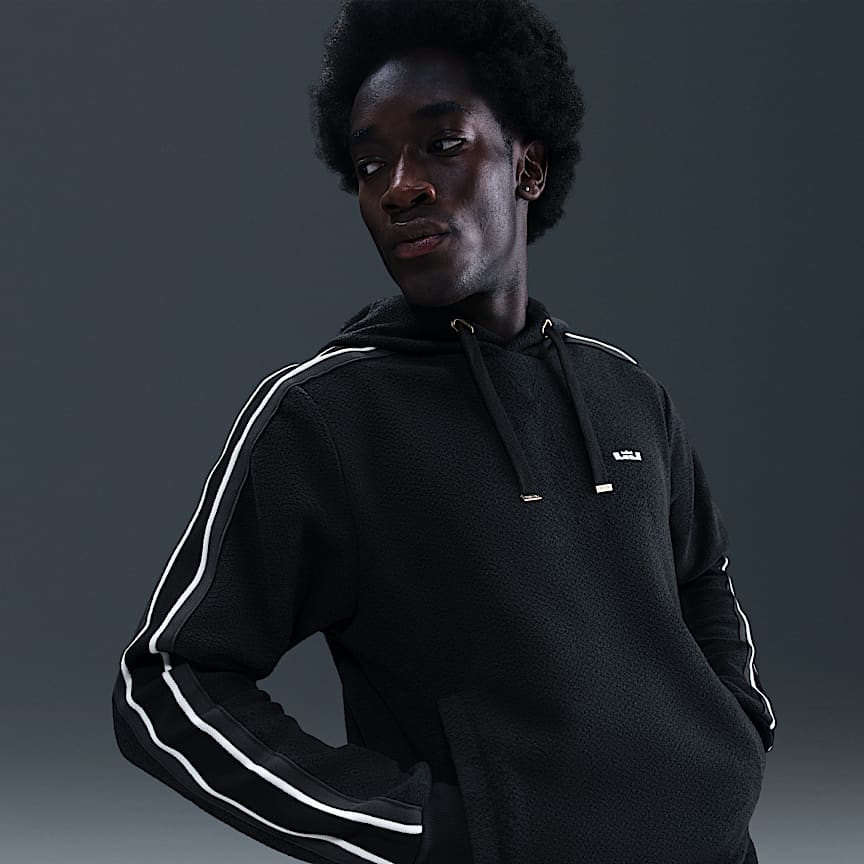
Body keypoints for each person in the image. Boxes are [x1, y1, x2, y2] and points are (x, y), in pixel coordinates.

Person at [111, 1, 777, 862]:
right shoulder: (328, 419)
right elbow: (165, 681)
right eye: (370, 164)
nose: (400, 186)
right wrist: (418, 832)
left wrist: (734, 736)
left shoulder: (627, 394)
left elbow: (702, 579)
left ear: (528, 167)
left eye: (442, 143)